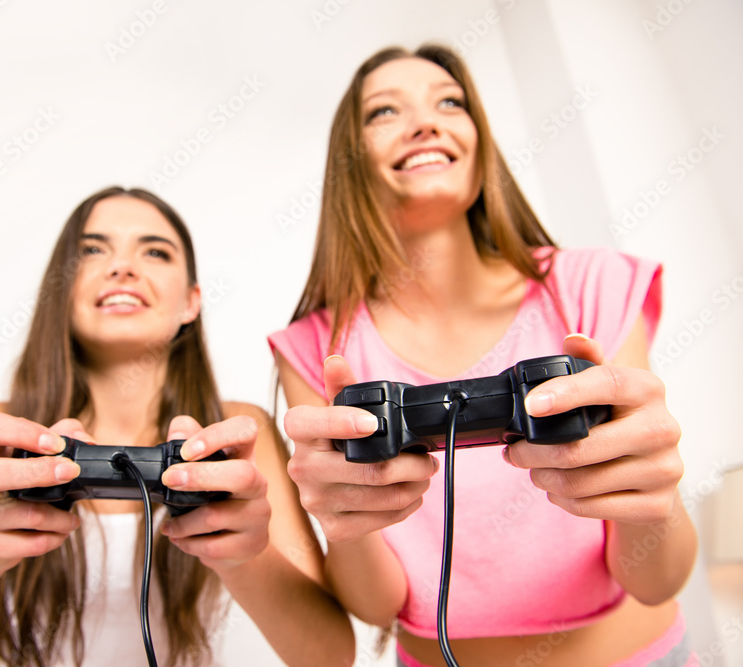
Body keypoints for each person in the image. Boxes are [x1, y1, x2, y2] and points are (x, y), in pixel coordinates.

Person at [270, 45, 698, 667]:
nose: (426, 122)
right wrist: (343, 521)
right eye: (385, 112)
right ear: (350, 162)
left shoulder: (591, 288)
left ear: (479, 140)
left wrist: (656, 489)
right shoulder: (315, 347)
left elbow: (656, 578)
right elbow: (375, 604)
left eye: (450, 102)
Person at [0, 186, 354, 667]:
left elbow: (330, 656)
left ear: (191, 301)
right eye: (93, 251)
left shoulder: (238, 436)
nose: (122, 267)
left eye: (155, 253)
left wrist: (243, 558)